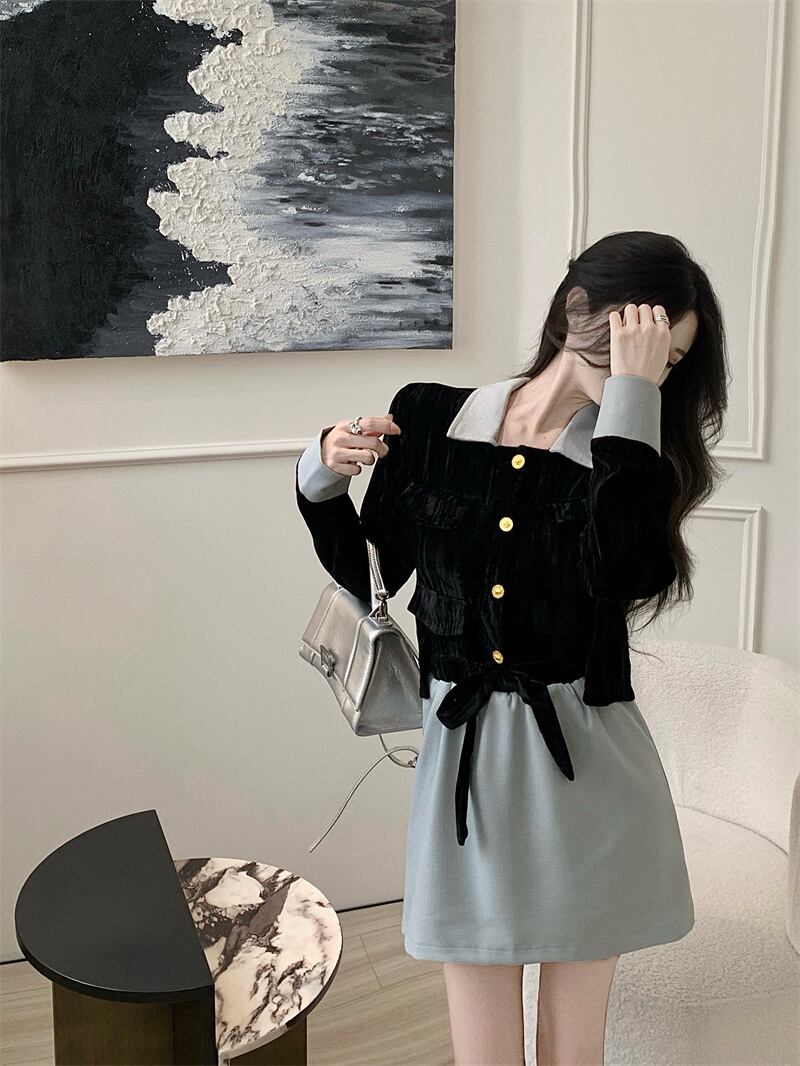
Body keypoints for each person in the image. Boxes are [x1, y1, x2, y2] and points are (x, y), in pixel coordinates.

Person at [294, 231, 729, 1065]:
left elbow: (624, 571)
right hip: (464, 764)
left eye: (667, 361)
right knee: (482, 1042)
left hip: (591, 770)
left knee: (573, 1046)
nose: (648, 368)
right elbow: (374, 572)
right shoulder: (430, 417)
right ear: (578, 309)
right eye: (638, 342)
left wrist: (633, 395)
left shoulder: (635, 462)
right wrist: (320, 475)